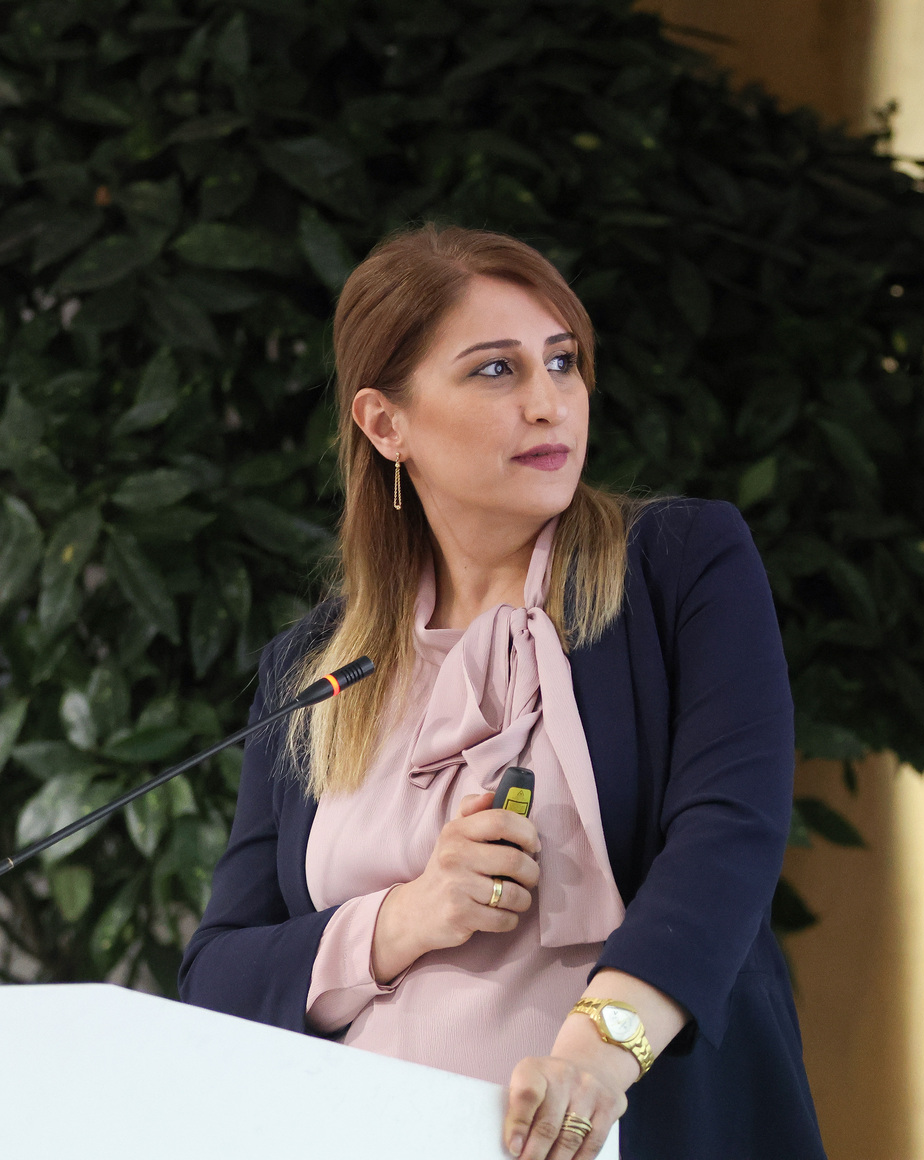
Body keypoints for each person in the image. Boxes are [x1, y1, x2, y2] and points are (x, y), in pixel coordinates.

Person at [179, 225, 826, 1160]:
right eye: (495, 370)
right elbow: (216, 979)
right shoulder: (310, 670)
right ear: (385, 424)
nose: (548, 403)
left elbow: (729, 836)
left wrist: (595, 1060)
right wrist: (404, 917)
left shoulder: (680, 569)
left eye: (563, 362)